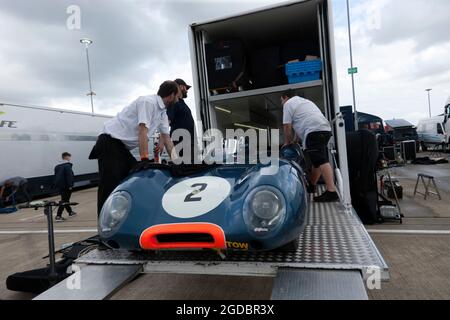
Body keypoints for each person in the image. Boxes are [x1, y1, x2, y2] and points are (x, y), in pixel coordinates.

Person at [89, 80, 179, 215]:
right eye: (178, 97)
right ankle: (104, 226)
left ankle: (120, 217)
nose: (178, 100)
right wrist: (144, 159)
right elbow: (142, 130)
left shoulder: (163, 114)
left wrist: (178, 163)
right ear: (171, 95)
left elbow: (167, 139)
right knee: (109, 185)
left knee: (133, 179)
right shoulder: (148, 102)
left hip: (121, 147)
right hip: (109, 141)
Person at [281, 90, 339, 202]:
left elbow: (287, 126)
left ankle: (331, 191)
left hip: (314, 131)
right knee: (317, 162)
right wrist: (295, 140)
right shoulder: (304, 102)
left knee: (321, 160)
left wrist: (287, 142)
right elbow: (300, 123)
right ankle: (312, 186)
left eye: (281, 101)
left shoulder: (288, 104)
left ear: (285, 97)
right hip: (324, 130)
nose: (282, 103)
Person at [166, 78, 197, 164]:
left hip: (190, 146)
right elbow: (166, 123)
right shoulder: (174, 103)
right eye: (186, 88)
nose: (187, 91)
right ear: (181, 87)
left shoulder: (182, 104)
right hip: (182, 146)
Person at [54, 152, 76, 222]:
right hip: (66, 186)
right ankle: (58, 215)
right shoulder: (67, 166)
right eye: (69, 157)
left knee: (65, 199)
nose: (70, 159)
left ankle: (70, 212)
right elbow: (70, 177)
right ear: (66, 157)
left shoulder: (57, 166)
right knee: (64, 200)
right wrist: (70, 185)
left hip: (60, 186)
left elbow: (56, 177)